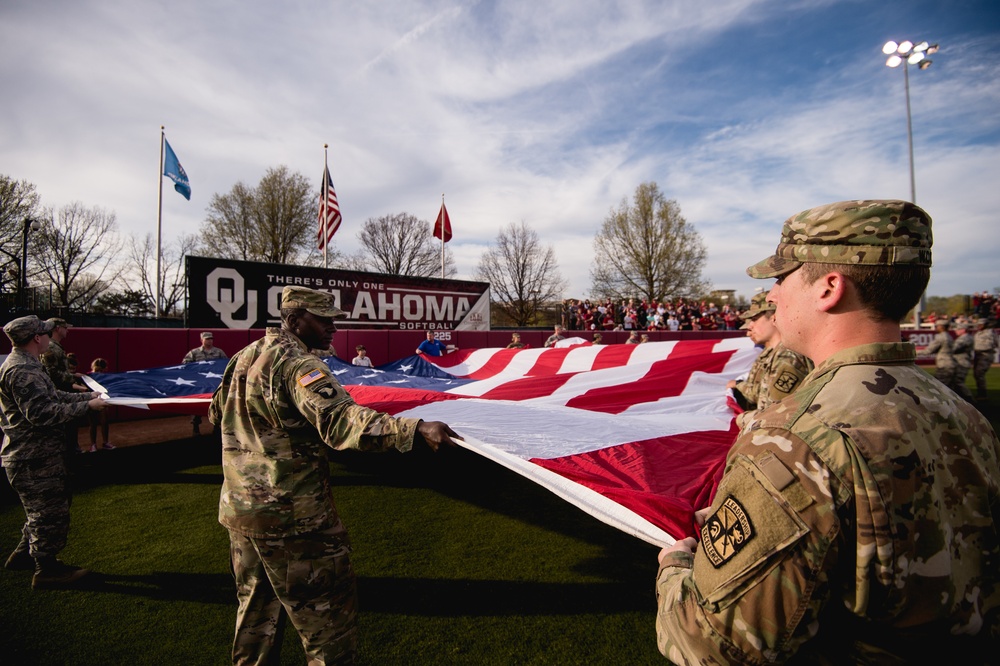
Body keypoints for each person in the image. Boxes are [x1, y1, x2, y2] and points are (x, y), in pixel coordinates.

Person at [655, 200, 1000, 662]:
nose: (772, 295)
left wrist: (675, 566)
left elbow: (717, 649)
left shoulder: (795, 436)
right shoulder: (964, 413)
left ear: (829, 288)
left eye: (782, 277)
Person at [209, 287, 459, 664]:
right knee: (329, 632)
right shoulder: (299, 365)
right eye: (323, 319)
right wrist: (413, 429)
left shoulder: (243, 357)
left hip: (242, 514)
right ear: (294, 320)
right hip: (294, 523)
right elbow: (341, 421)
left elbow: (216, 414)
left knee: (256, 619)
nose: (333, 328)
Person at [0, 315, 107, 589]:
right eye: (45, 333)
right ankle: (46, 569)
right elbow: (41, 413)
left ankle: (23, 555)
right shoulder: (22, 371)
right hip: (32, 458)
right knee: (49, 513)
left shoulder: (29, 365)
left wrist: (89, 397)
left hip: (38, 455)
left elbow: (55, 397)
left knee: (41, 510)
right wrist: (87, 408)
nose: (49, 336)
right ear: (36, 338)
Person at [726, 290, 813, 421]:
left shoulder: (788, 355)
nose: (750, 326)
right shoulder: (778, 352)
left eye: (755, 319)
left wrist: (741, 419)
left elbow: (774, 414)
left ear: (773, 317)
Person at [182, 332, 228, 436]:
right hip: (200, 383)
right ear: (202, 340)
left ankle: (216, 426)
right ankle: (195, 426)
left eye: (211, 339)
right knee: (197, 402)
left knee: (217, 403)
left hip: (214, 383)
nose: (209, 341)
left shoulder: (219, 352)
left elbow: (225, 364)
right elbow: (185, 365)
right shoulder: (194, 353)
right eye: (207, 339)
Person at [86, 358, 113, 451]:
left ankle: (106, 442)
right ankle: (93, 444)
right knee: (93, 423)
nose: (99, 373)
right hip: (92, 402)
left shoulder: (107, 377)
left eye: (101, 371)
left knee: (104, 422)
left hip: (103, 402)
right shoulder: (88, 377)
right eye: (97, 370)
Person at [925, 319, 955, 387]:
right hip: (950, 363)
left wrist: (912, 351)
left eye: (937, 326)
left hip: (943, 365)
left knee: (940, 387)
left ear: (942, 327)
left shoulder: (940, 337)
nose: (936, 328)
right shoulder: (949, 336)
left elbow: (928, 351)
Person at [973, 319, 997, 401]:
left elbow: (990, 345)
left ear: (986, 324)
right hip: (978, 355)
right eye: (978, 324)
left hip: (985, 355)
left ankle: (983, 394)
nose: (979, 326)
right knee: (976, 374)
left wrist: (978, 349)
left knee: (979, 373)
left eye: (981, 324)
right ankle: (980, 393)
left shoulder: (990, 332)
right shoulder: (978, 333)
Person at [950, 323, 975, 402]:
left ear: (963, 330)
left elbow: (954, 348)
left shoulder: (965, 338)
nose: (955, 331)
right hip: (960, 361)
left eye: (958, 329)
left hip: (962, 362)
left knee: (958, 381)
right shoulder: (964, 337)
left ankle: (969, 398)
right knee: (955, 381)